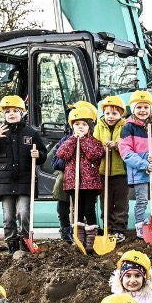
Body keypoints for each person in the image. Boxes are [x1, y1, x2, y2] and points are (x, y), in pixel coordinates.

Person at [0, 95, 47, 258]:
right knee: (8, 217)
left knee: (24, 213)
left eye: (15, 111)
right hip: (5, 182)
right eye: (8, 111)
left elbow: (43, 153)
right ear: (3, 114)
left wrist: (39, 155)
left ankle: (25, 243)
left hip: (25, 181)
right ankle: (12, 247)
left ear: (22, 113)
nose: (11, 114)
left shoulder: (31, 133)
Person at [120, 90, 152, 231]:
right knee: (142, 200)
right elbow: (126, 152)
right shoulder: (128, 128)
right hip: (139, 171)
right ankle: (140, 226)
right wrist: (144, 164)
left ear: (150, 109)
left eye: (146, 107)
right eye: (139, 107)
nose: (142, 110)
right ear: (133, 109)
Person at [56, 104, 106, 248]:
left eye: (84, 124)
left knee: (89, 210)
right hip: (73, 183)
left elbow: (95, 155)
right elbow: (62, 154)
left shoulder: (94, 142)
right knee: (77, 211)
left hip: (90, 184)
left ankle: (91, 240)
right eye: (77, 124)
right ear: (72, 126)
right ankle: (79, 239)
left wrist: (83, 140)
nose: (80, 127)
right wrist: (73, 140)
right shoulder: (69, 141)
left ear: (90, 127)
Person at [94, 95, 130, 240]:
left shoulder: (126, 126)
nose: (110, 116)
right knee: (105, 203)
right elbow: (94, 145)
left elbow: (128, 144)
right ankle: (108, 228)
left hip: (121, 172)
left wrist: (117, 146)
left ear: (121, 113)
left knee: (121, 203)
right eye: (107, 113)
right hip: (103, 172)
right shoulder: (98, 127)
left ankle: (120, 230)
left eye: (114, 113)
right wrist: (102, 148)